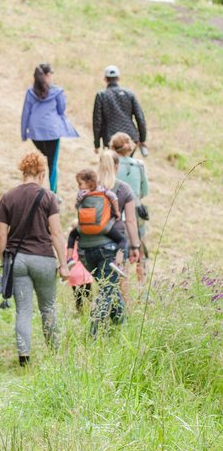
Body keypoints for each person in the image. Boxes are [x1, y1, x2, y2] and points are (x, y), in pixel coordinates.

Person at [0, 151, 69, 367]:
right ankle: (55, 354)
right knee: (48, 308)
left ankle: (24, 358)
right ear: (41, 173)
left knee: (23, 310)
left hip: (18, 261)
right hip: (44, 259)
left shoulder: (8, 197)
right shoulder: (48, 197)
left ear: (23, 171)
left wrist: (4, 263)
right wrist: (63, 264)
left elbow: (1, 235)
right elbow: (56, 233)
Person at [72, 157, 140, 336]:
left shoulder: (88, 190)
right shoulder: (123, 189)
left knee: (109, 287)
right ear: (117, 166)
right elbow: (131, 220)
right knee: (107, 288)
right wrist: (135, 247)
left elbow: (77, 211)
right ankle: (93, 335)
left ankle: (122, 329)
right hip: (112, 247)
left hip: (85, 248)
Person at [20, 63, 79, 193]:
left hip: (35, 133)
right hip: (52, 131)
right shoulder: (57, 91)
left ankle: (34, 185)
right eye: (51, 73)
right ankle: (53, 193)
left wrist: (24, 133)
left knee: (44, 157)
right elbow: (62, 109)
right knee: (52, 163)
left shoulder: (30, 92)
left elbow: (26, 112)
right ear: (47, 75)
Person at [111, 131, 150, 282]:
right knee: (140, 246)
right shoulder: (139, 165)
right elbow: (145, 191)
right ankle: (142, 284)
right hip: (137, 209)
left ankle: (123, 284)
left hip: (117, 211)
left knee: (121, 250)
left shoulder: (113, 166)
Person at [65, 168, 127, 254]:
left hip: (83, 229)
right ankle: (118, 262)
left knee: (72, 235)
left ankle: (69, 258)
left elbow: (77, 206)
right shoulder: (103, 190)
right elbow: (114, 198)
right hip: (103, 227)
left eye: (80, 184)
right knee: (122, 240)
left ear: (89, 183)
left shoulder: (80, 194)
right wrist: (117, 212)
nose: (78, 186)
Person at [93, 65, 147, 154]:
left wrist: (97, 144)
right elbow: (140, 118)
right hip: (130, 138)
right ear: (118, 78)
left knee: (114, 165)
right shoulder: (130, 94)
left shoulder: (101, 95)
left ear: (105, 79)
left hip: (111, 139)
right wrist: (142, 139)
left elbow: (97, 122)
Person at [65, 234, 94, 313]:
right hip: (84, 272)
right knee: (89, 295)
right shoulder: (85, 244)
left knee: (77, 296)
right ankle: (92, 311)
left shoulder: (68, 246)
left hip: (73, 274)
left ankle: (80, 312)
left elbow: (65, 258)